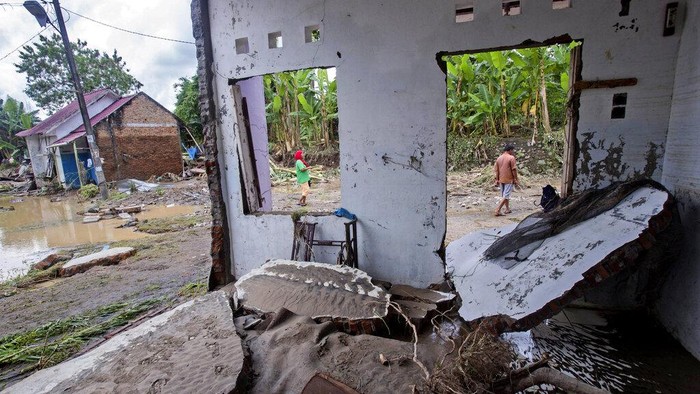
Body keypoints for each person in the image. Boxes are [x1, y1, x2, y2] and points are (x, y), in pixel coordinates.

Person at [493, 144, 518, 216]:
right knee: (506, 195)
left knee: (504, 195)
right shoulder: (511, 158)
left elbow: (497, 170)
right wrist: (515, 179)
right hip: (509, 179)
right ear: (510, 150)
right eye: (512, 150)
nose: (513, 152)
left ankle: (507, 209)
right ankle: (498, 210)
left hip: (501, 179)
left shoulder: (499, 158)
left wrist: (497, 179)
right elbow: (514, 169)